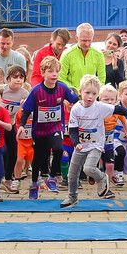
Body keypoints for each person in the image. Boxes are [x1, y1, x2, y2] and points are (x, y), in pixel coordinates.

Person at [59, 74, 127, 208]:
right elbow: (73, 129)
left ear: (97, 95)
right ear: (80, 92)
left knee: (89, 168)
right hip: (80, 145)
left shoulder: (100, 107)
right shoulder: (76, 109)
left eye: (94, 93)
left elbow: (119, 109)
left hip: (96, 145)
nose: (90, 96)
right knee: (72, 174)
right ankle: (72, 197)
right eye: (87, 93)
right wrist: (76, 143)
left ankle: (102, 178)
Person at [19, 56, 78, 199]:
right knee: (39, 157)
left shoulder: (62, 87)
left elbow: (76, 101)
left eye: (56, 71)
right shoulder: (36, 91)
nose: (54, 74)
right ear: (43, 73)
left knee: (58, 149)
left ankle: (52, 177)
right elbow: (26, 110)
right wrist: (21, 125)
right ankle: (34, 183)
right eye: (51, 71)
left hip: (56, 127)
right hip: (39, 130)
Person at [0, 65, 28, 193]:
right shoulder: (2, 90)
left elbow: (30, 110)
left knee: (13, 153)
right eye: (15, 77)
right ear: (8, 79)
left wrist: (24, 106)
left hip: (11, 125)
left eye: (21, 77)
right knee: (2, 151)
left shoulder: (24, 93)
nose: (18, 80)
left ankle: (7, 179)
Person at [59, 23, 106, 90]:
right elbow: (61, 78)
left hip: (92, 96)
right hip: (72, 96)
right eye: (84, 40)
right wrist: (76, 91)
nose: (87, 44)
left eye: (89, 40)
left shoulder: (99, 54)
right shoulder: (67, 54)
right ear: (77, 38)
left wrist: (92, 92)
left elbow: (102, 79)